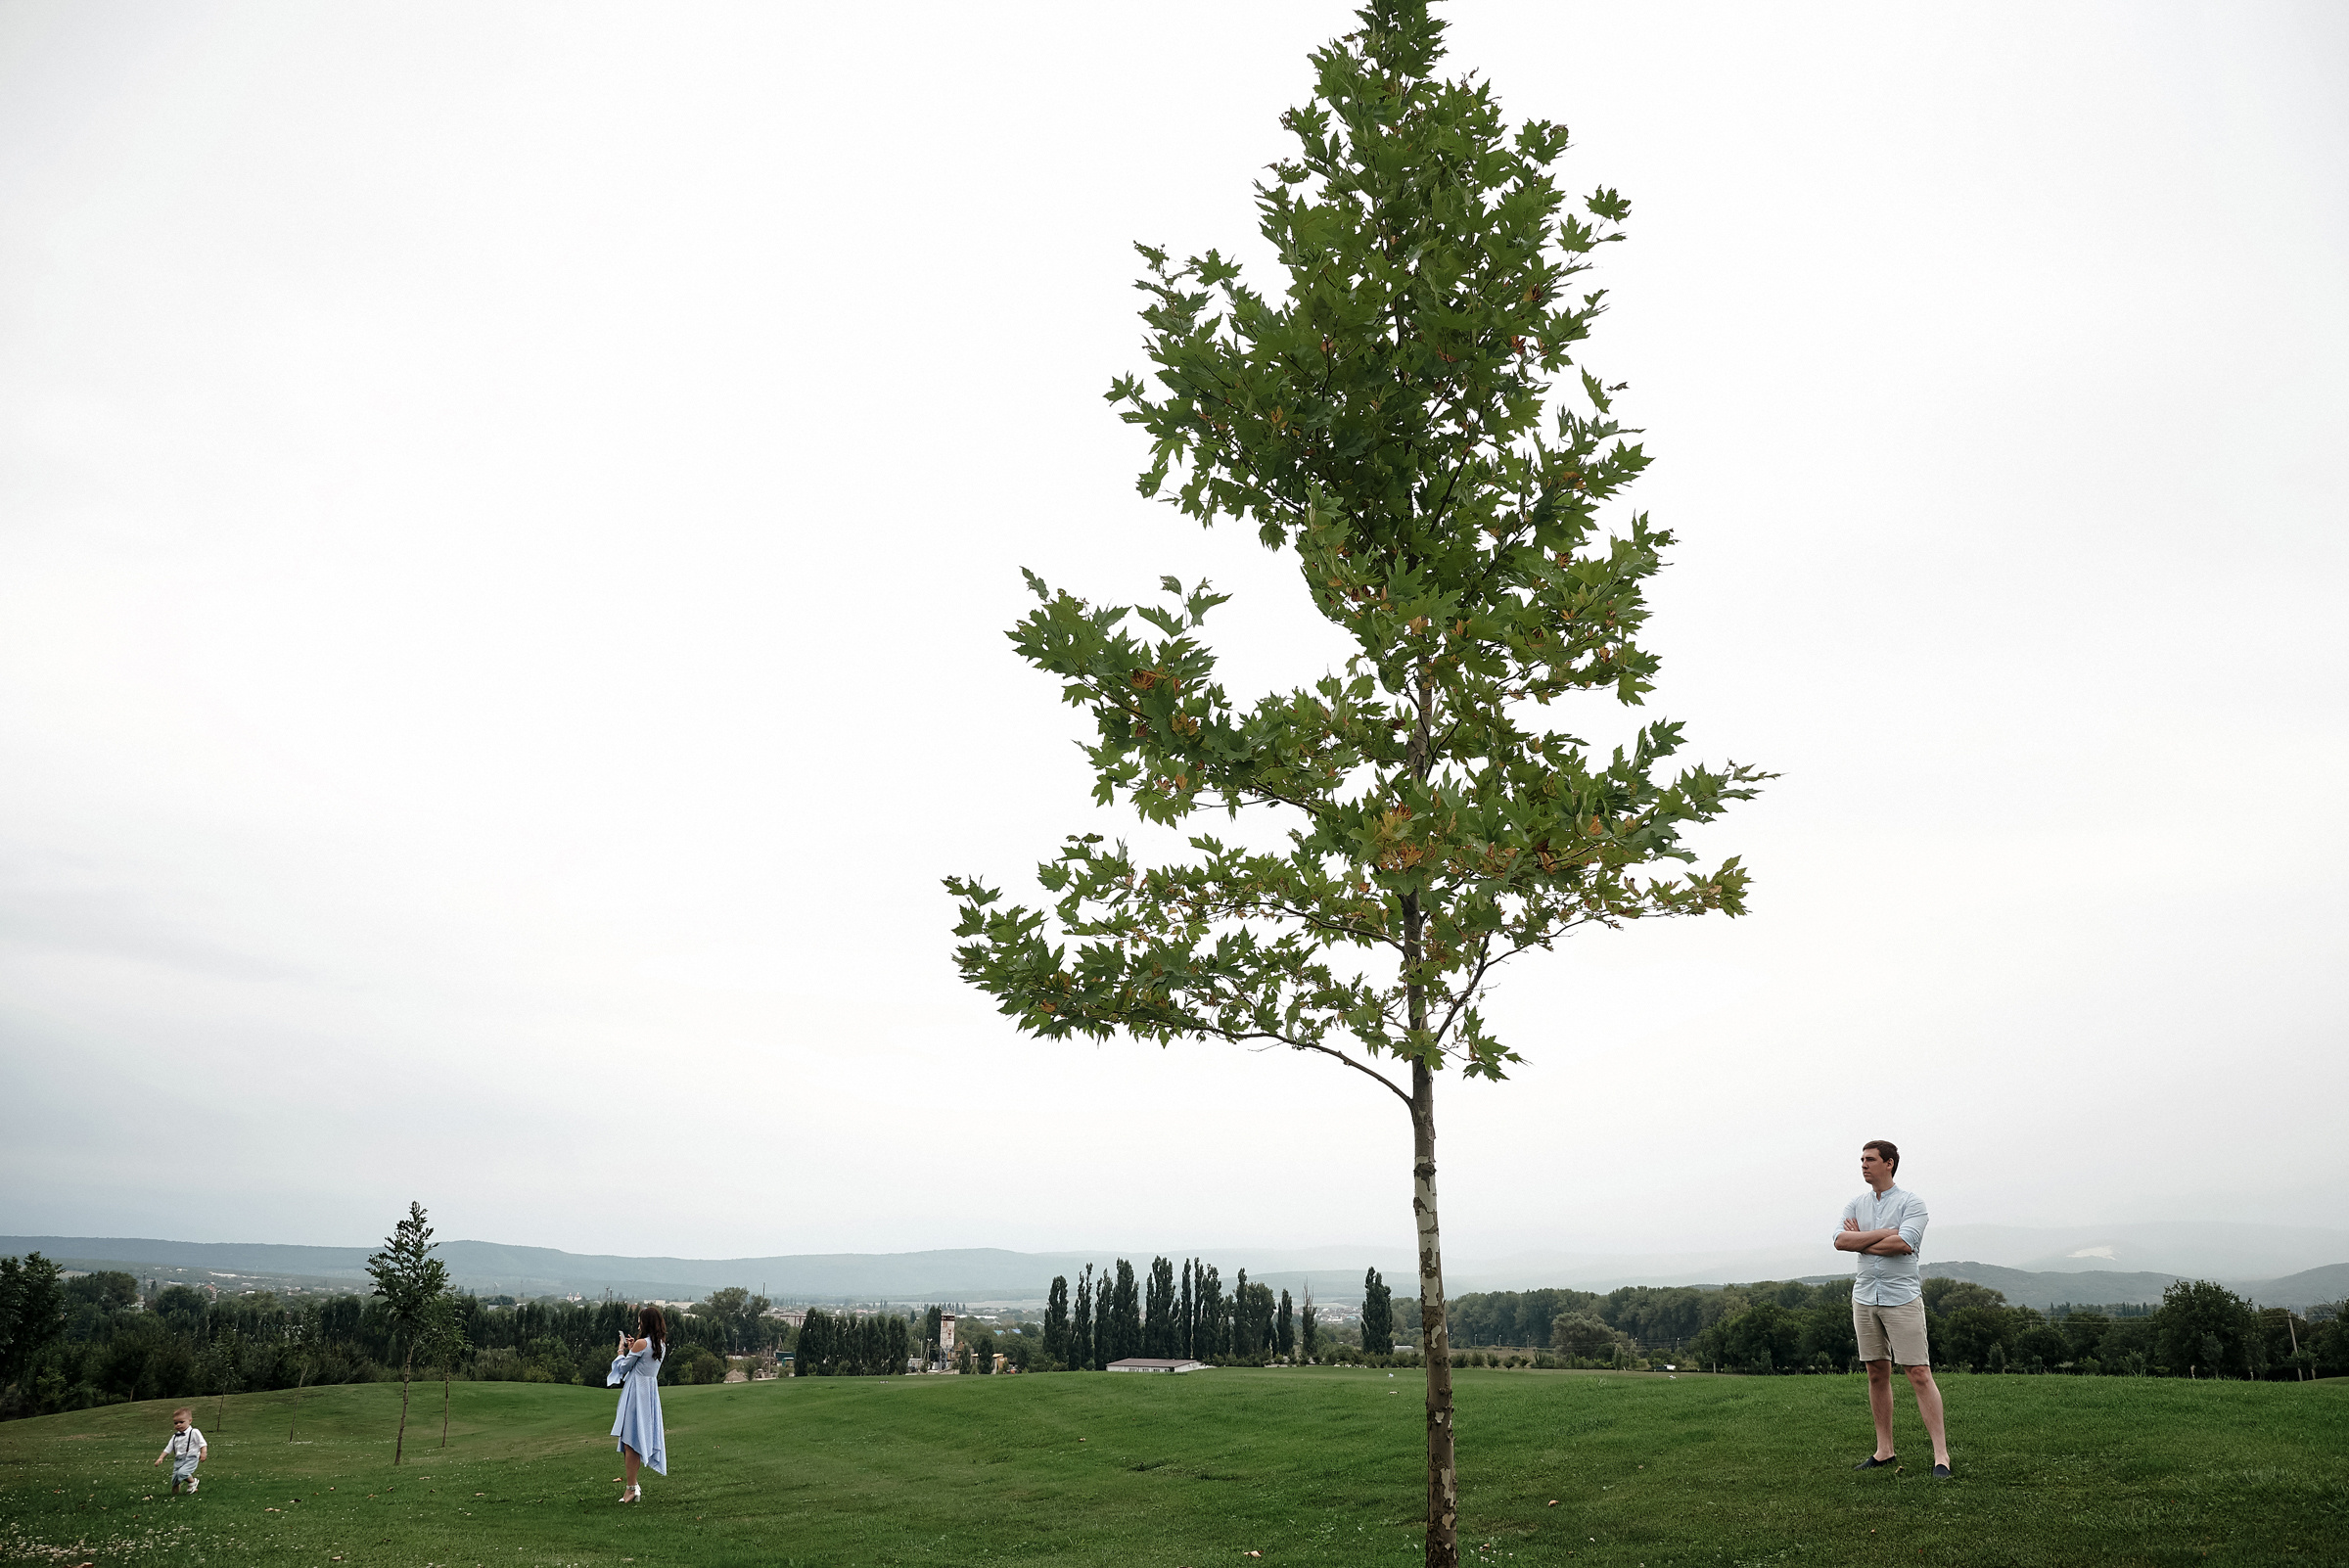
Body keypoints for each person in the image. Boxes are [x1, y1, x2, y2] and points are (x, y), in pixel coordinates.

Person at [1833, 1138, 1952, 1478]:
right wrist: (1884, 1233)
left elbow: (1904, 1244)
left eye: (1870, 1159)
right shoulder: (1856, 1203)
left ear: (1889, 1163)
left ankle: (1941, 1457)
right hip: (1865, 1297)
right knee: (1875, 1372)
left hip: (1902, 1298)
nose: (1863, 1165)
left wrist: (1865, 1239)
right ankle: (1884, 1451)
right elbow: (1840, 1241)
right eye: (1861, 1159)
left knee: (1918, 1373)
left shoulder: (1913, 1203)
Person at [609, 1305, 669, 1502]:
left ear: (645, 1323)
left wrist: (621, 1349)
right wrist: (635, 1347)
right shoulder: (659, 1343)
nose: (638, 1324)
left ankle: (631, 1487)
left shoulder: (641, 1344)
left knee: (630, 1440)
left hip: (636, 1393)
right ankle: (632, 1484)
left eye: (640, 1321)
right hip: (649, 1393)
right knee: (632, 1439)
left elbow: (624, 1367)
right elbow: (644, 1361)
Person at [153, 1407, 207, 1495]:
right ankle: (175, 1496)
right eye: (175, 1423)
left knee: (183, 1473)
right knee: (175, 1480)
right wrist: (160, 1458)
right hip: (179, 1459)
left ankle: (193, 1482)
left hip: (191, 1458)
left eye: (181, 1422)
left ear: (190, 1421)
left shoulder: (194, 1432)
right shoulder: (175, 1436)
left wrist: (203, 1453)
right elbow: (168, 1448)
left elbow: (202, 1444)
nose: (178, 1425)